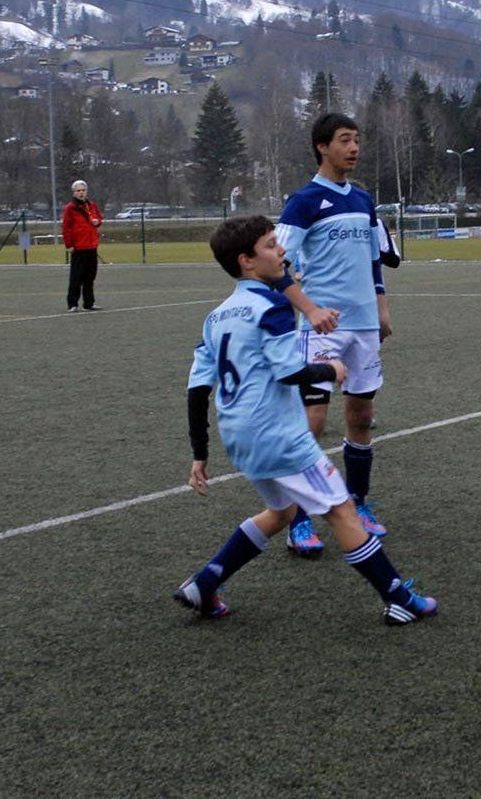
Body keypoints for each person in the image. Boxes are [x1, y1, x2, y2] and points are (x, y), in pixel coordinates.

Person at [175, 215, 437, 626]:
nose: (281, 250)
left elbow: (196, 390)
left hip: (239, 435)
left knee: (281, 512)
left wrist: (200, 454)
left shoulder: (216, 317)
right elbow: (289, 372)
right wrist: (331, 369)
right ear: (246, 260)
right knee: (341, 509)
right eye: (269, 245)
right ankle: (398, 597)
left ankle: (205, 583)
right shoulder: (272, 306)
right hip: (278, 435)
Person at [274, 112, 392, 555]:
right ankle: (298, 520)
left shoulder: (363, 200)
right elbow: (276, 263)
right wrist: (309, 309)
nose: (354, 147)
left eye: (356, 139)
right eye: (344, 139)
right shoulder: (303, 201)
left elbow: (375, 260)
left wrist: (381, 309)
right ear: (322, 146)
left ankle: (358, 504)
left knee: (360, 418)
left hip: (364, 326)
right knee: (314, 422)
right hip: (321, 330)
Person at [62, 179, 103, 312]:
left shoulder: (92, 205)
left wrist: (97, 222)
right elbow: (66, 228)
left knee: (90, 277)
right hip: (79, 247)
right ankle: (72, 304)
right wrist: (69, 244)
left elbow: (99, 219)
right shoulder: (70, 208)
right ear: (74, 192)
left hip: (91, 246)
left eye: (83, 190)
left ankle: (89, 303)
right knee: (76, 277)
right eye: (78, 190)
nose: (81, 193)